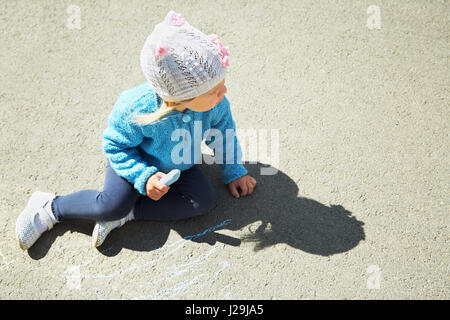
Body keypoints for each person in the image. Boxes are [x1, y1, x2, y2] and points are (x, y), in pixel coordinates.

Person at [16, 10, 257, 251]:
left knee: (203, 201)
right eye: (214, 90)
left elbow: (224, 135)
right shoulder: (135, 108)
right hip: (133, 161)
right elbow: (116, 147)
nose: (223, 92)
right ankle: (50, 207)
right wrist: (144, 177)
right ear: (181, 96)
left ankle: (128, 214)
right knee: (109, 206)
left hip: (178, 166)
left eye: (223, 83)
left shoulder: (215, 104)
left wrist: (234, 170)